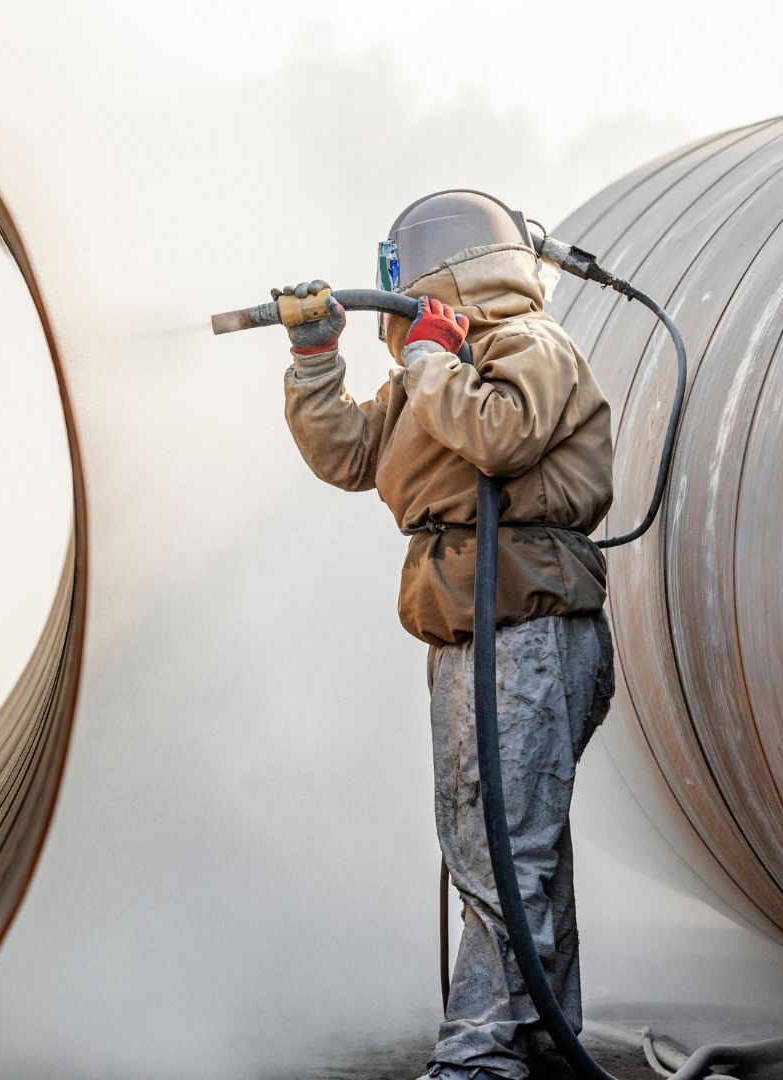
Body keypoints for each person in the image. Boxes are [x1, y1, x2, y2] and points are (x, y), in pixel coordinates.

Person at [277, 191, 617, 1080]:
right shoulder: (436, 366)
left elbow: (499, 438)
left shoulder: (527, 348)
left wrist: (431, 361)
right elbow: (353, 456)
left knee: (499, 845)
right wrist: (316, 361)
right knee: (509, 841)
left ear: (429, 273)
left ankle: (480, 1057)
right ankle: (541, 1034)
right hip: (476, 626)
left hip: (527, 631)